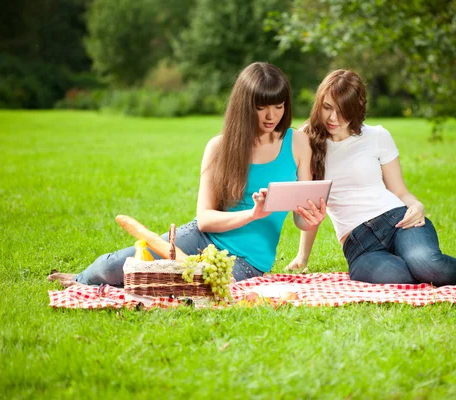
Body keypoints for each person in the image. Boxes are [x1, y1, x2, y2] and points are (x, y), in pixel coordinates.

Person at [49, 62, 326, 287]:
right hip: (202, 238)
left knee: (178, 284)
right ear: (244, 105)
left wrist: (311, 219)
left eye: (279, 106)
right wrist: (253, 213)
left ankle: (94, 284)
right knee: (112, 267)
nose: (272, 116)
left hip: (246, 260)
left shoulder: (298, 143)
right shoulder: (219, 148)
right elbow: (205, 220)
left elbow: (301, 218)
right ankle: (81, 280)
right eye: (261, 106)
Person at [287, 70, 456, 285]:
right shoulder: (307, 140)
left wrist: (416, 205)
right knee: (399, 277)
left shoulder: (378, 136)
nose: (333, 118)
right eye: (327, 107)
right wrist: (302, 256)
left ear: (356, 110)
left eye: (343, 112)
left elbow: (400, 192)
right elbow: (311, 205)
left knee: (428, 265)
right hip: (359, 246)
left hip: (399, 221)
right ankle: (433, 268)